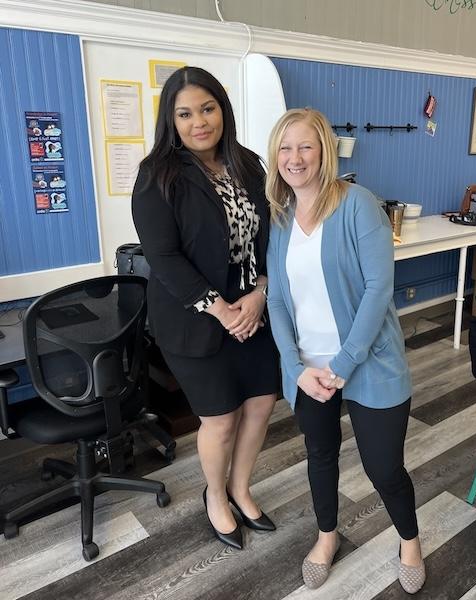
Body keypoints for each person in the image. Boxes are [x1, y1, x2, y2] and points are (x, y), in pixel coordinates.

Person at [265, 108, 425, 593]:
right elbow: (275, 297)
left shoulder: (358, 204)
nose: (295, 158)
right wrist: (295, 367)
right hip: (309, 371)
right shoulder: (281, 217)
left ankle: (410, 542)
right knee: (321, 456)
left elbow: (380, 289)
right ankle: (327, 535)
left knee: (384, 468)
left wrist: (342, 365)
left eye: (305, 146)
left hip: (366, 363)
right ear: (276, 156)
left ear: (325, 152)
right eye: (286, 147)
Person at [132, 66, 279, 551]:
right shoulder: (157, 175)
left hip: (254, 310)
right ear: (170, 120)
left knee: (260, 405)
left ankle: (241, 487)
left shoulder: (249, 165)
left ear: (223, 109)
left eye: (208, 108)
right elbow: (164, 257)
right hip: (195, 320)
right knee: (220, 418)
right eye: (186, 113)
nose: (199, 121)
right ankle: (215, 496)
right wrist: (224, 310)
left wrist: (259, 294)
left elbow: (271, 239)